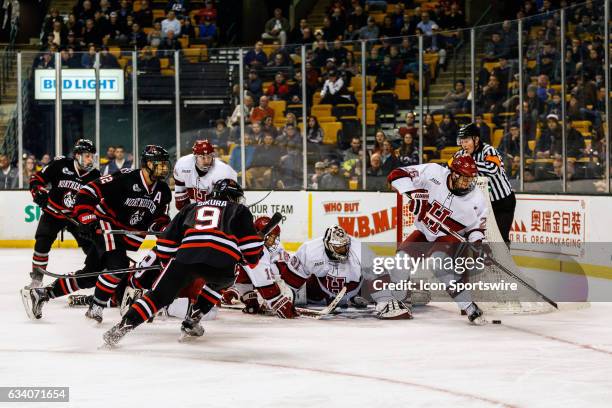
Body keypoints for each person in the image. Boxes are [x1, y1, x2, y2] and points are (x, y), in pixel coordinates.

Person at [102, 179, 273, 346]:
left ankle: (121, 328)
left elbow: (166, 244)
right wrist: (258, 243)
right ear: (230, 197)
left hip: (186, 258)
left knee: (157, 297)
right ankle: (193, 318)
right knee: (228, 275)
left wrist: (170, 269)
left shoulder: (191, 207)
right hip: (221, 264)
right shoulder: (240, 210)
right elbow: (251, 256)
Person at [21, 146, 173, 323]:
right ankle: (96, 307)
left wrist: (164, 232)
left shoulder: (163, 191)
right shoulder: (126, 177)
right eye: (160, 163)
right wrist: (87, 218)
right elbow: (88, 191)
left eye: (164, 164)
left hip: (126, 236)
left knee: (90, 276)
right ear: (147, 164)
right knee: (119, 265)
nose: (164, 167)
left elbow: (159, 219)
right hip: (106, 226)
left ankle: (42, 294)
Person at [388, 156, 488, 324]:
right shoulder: (433, 172)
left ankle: (470, 306)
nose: (468, 182)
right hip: (425, 232)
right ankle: (401, 301)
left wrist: (477, 243)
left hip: (450, 237)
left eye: (471, 178)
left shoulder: (477, 198)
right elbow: (396, 174)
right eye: (464, 178)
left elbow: (476, 228)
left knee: (437, 263)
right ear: (453, 174)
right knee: (400, 260)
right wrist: (413, 193)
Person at [275, 225, 411, 319]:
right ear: (328, 245)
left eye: (345, 247)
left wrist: (385, 300)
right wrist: (282, 297)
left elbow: (378, 275)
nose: (344, 251)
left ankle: (409, 291)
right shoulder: (310, 250)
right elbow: (292, 277)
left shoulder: (359, 250)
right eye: (339, 248)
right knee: (293, 295)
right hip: (321, 293)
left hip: (355, 289)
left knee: (398, 293)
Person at [25, 140, 100, 288]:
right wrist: (37, 191)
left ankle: (94, 274)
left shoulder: (95, 175)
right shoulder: (60, 164)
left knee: (93, 247)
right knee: (42, 242)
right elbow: (36, 179)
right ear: (77, 155)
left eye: (92, 156)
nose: (90, 159)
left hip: (77, 217)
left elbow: (98, 200)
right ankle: (37, 279)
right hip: (53, 212)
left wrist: (91, 219)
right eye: (87, 156)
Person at [454, 123, 515, 245]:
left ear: (476, 139)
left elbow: (493, 170)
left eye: (466, 141)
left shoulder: (489, 150)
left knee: (500, 240)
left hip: (502, 202)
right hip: (480, 205)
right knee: (476, 237)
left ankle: (503, 263)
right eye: (462, 141)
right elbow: (449, 169)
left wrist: (469, 162)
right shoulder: (460, 154)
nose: (464, 145)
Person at [221, 215, 293, 315]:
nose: (273, 242)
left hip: (278, 286)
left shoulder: (277, 251)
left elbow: (282, 273)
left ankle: (274, 300)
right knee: (243, 270)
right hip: (263, 285)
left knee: (273, 271)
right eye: (270, 237)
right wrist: (234, 290)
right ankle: (254, 300)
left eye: (275, 237)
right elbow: (239, 272)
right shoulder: (248, 248)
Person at [173, 140, 237, 210]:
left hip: (217, 213)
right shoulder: (182, 165)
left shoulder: (223, 170)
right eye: (202, 157)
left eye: (209, 157)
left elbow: (231, 205)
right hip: (193, 213)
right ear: (195, 157)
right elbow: (181, 202)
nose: (206, 161)